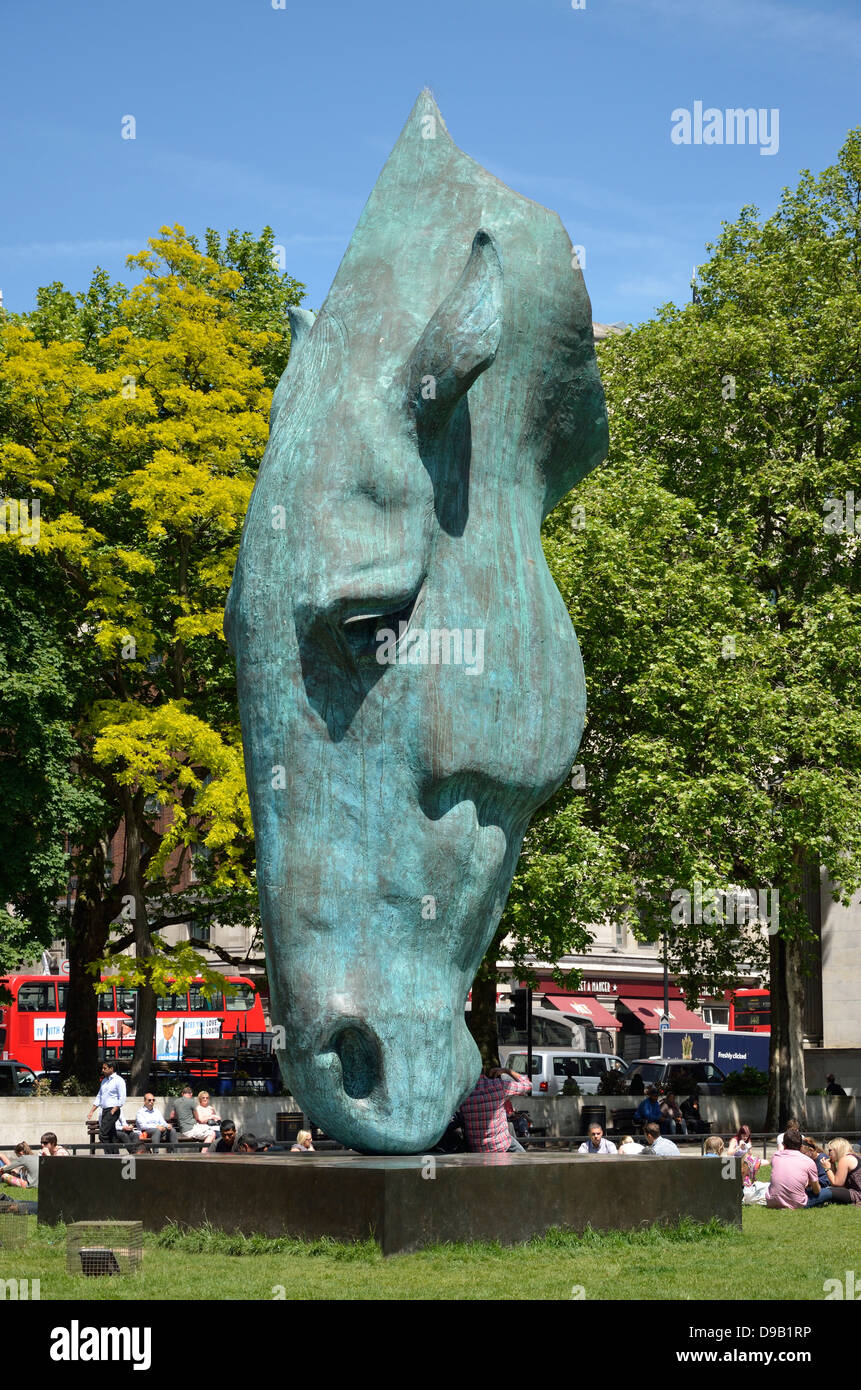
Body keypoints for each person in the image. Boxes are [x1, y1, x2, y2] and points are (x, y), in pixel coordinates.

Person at [459, 1065, 532, 1153]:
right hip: (501, 1145)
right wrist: (507, 1071)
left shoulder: (461, 1094)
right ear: (483, 1070)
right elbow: (528, 1085)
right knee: (523, 1158)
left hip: (477, 1149)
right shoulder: (499, 1086)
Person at [765, 1129, 820, 1208]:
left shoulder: (776, 1156)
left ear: (783, 1144)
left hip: (772, 1202)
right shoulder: (808, 1161)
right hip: (796, 1203)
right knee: (828, 1192)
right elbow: (816, 1190)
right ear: (801, 1146)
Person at [86, 1061, 127, 1155]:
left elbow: (122, 1097)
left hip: (112, 1110)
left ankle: (109, 1155)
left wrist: (115, 1109)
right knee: (111, 1135)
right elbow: (99, 1096)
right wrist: (92, 1111)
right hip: (105, 1110)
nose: (102, 1070)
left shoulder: (118, 1080)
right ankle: (115, 1156)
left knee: (103, 1135)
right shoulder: (104, 1081)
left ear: (111, 1069)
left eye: (105, 1068)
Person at [171, 1086, 216, 1152]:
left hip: (183, 1129)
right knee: (212, 1133)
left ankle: (209, 1152)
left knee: (209, 1129)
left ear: (182, 1094)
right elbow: (198, 1119)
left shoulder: (176, 1102)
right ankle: (203, 1154)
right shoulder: (192, 1102)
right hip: (190, 1129)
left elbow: (172, 1116)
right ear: (191, 1094)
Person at [819, 1138, 861, 1204]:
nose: (828, 1153)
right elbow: (839, 1181)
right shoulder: (855, 1156)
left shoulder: (845, 1159)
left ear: (837, 1149)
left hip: (857, 1195)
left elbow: (837, 1184)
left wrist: (827, 1168)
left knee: (826, 1191)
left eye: (830, 1150)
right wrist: (832, 1165)